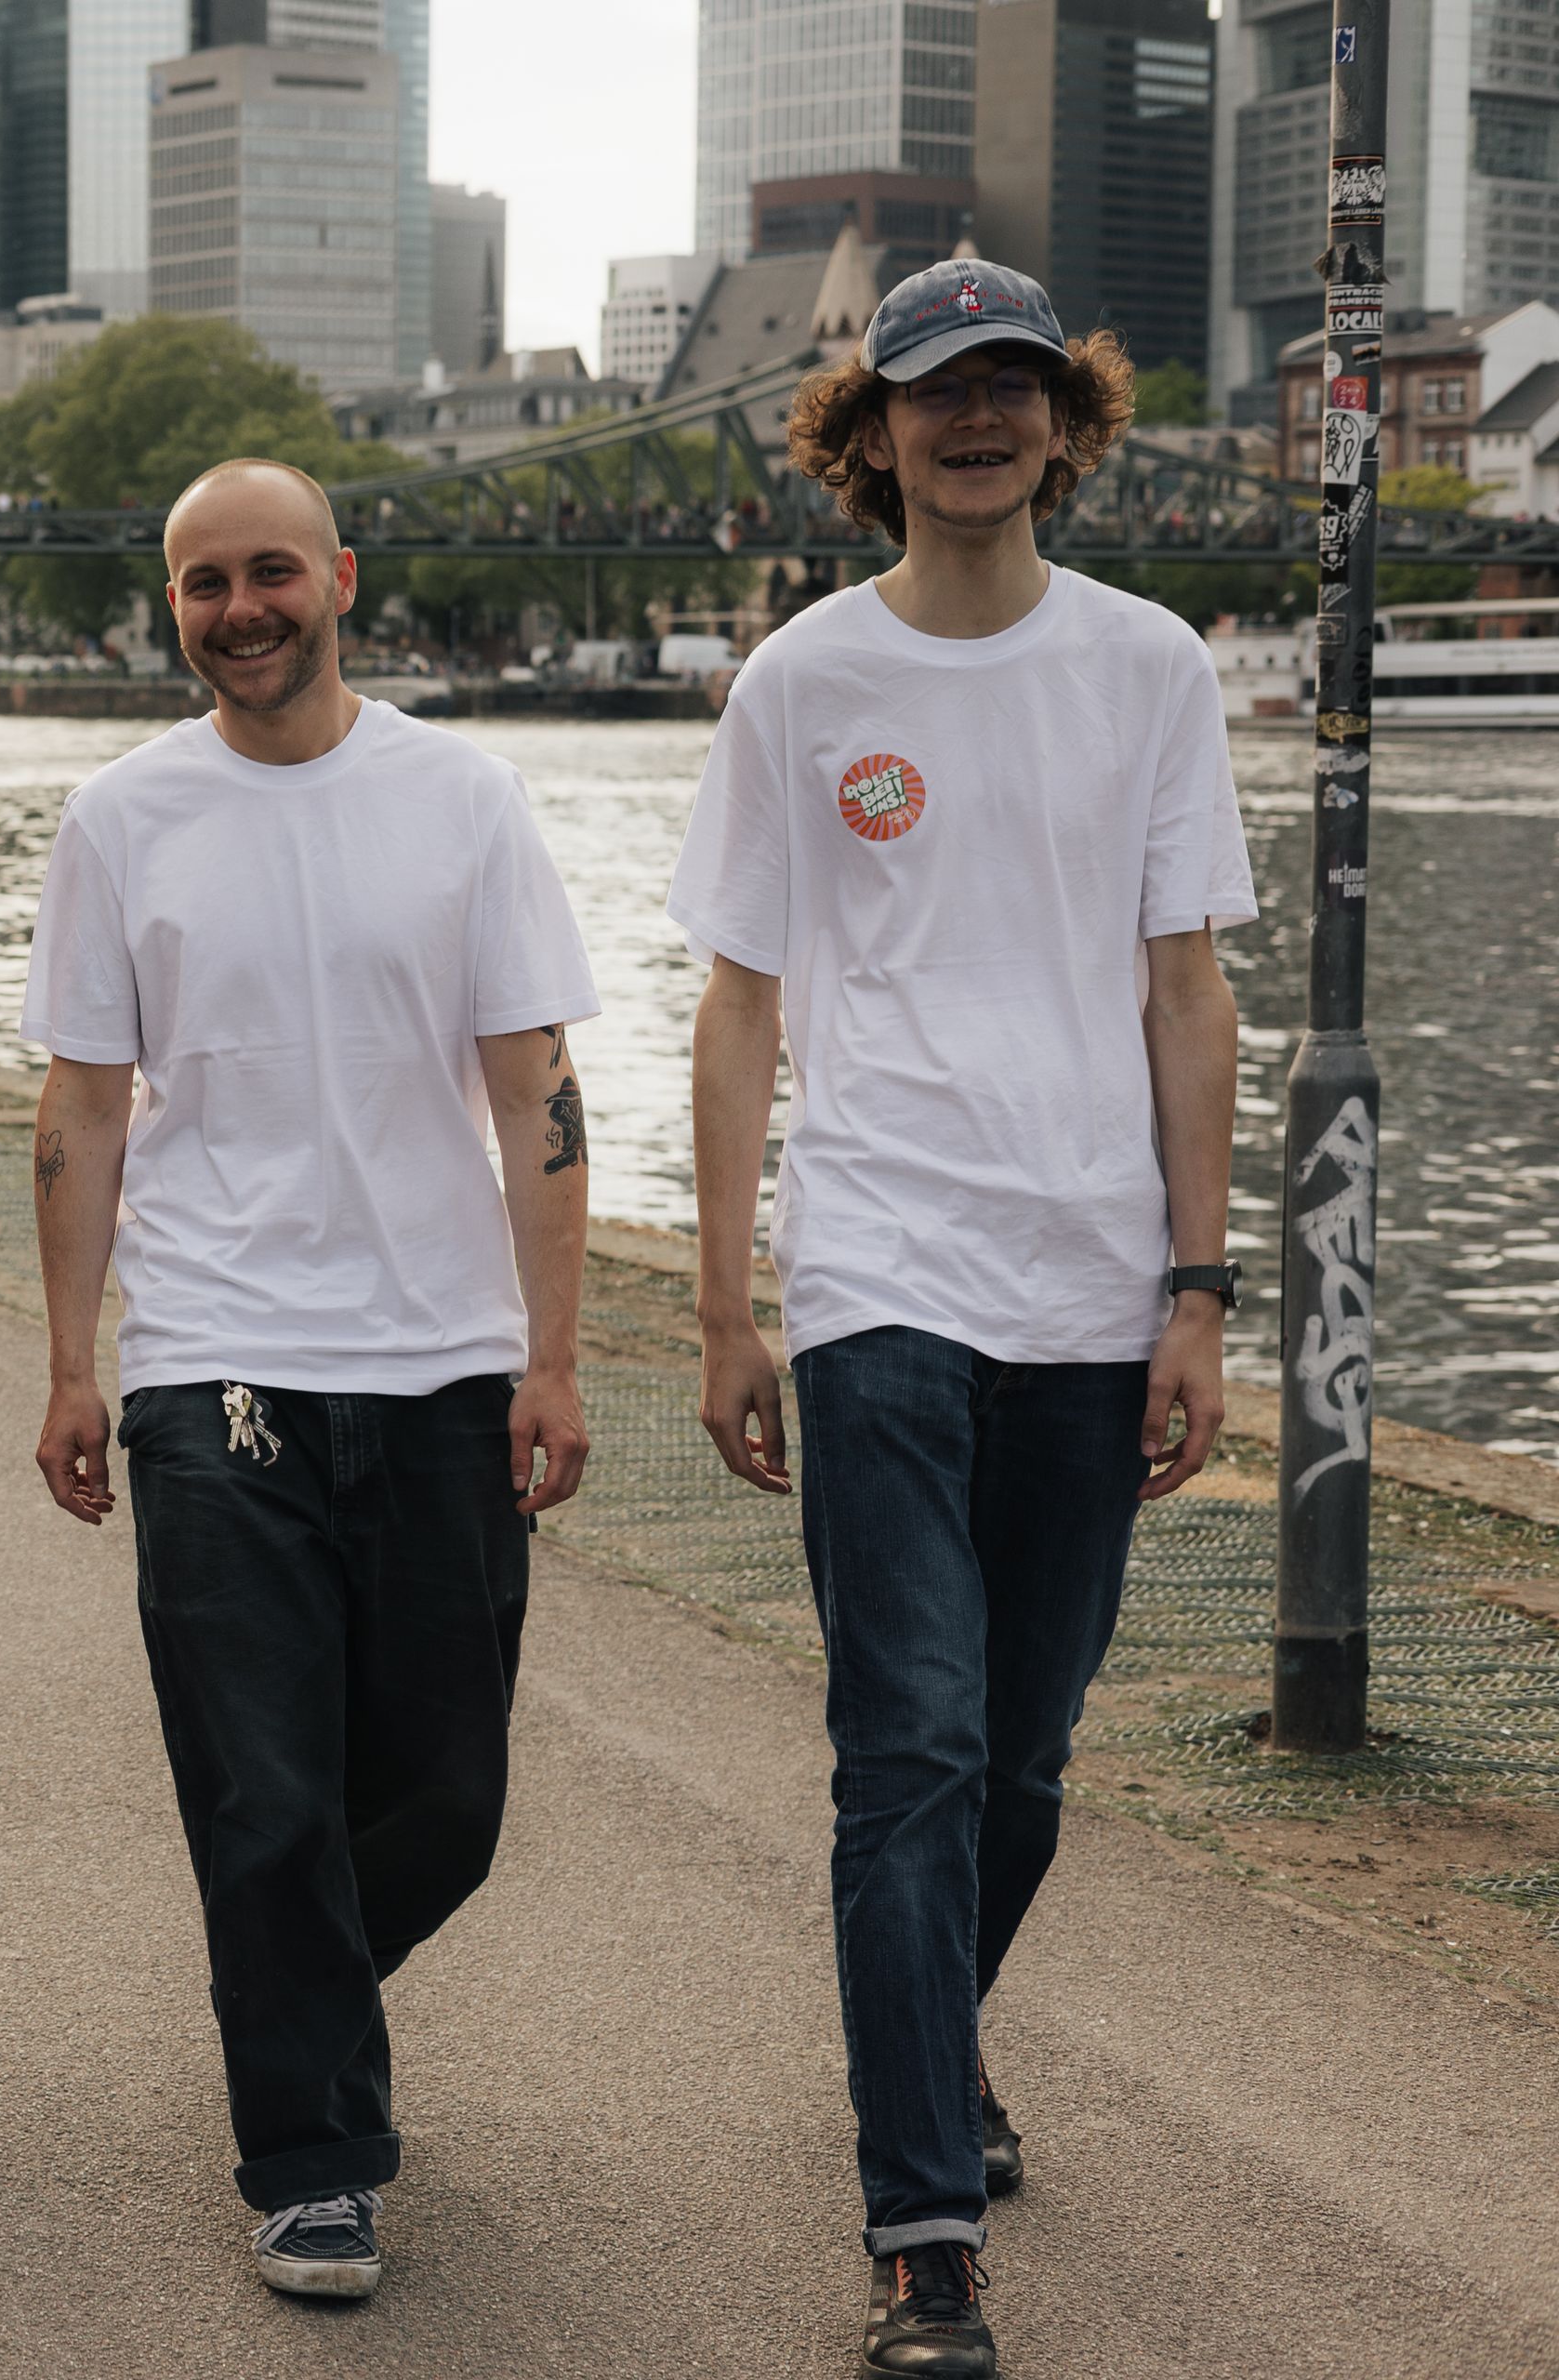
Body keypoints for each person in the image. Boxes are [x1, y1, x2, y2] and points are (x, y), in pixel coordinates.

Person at [672, 263, 1249, 2380]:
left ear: (1064, 423)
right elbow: (733, 1005)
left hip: (1090, 1275)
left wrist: (1194, 1289)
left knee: (1016, 1749)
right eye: (934, 394)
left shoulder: (1148, 670)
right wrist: (727, 1299)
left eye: (1012, 387)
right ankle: (919, 2225)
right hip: (881, 1265)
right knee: (901, 1744)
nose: (975, 422)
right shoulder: (798, 686)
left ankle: (931, 2028)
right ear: (871, 435)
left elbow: (1183, 992)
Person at [24, 459, 598, 2304]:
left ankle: (300, 1981)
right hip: (217, 1365)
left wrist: (556, 1355)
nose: (241, 606)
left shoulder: (463, 797)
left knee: (448, 1787)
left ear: (341, 579)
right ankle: (313, 2153)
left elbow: (538, 1096)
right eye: (205, 581)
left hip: (440, 1359)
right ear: (171, 603)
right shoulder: (122, 818)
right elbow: (83, 1109)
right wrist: (68, 1362)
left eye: (272, 570)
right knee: (261, 1781)